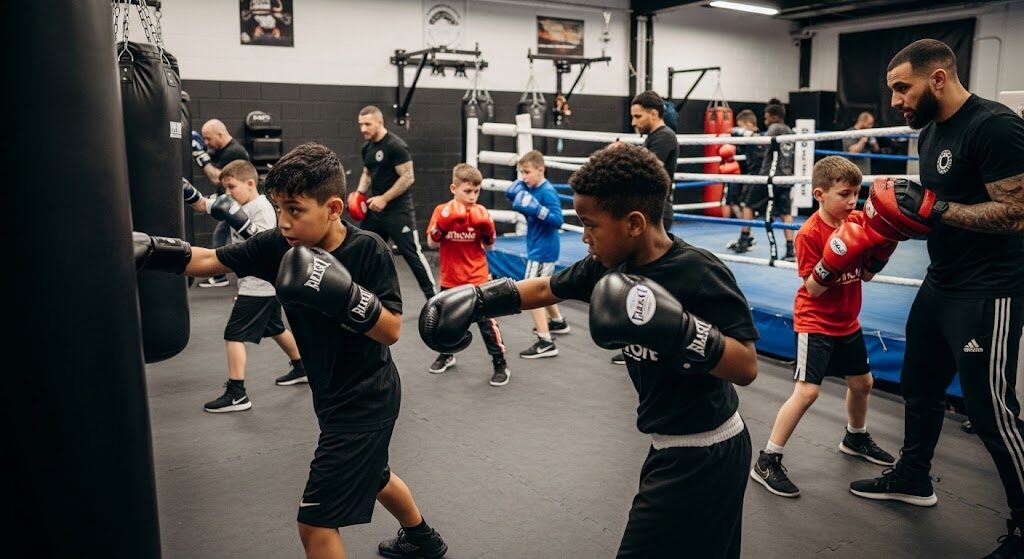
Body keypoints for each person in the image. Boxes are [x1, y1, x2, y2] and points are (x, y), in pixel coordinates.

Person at [420, 144, 760, 558]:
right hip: (667, 443)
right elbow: (548, 287)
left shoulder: (699, 272)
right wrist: (478, 299)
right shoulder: (606, 265)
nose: (583, 236)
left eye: (590, 224)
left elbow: (745, 366)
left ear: (633, 223)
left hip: (707, 450)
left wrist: (679, 330)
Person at [135, 143, 448, 559]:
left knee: (315, 524)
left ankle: (421, 538)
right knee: (374, 474)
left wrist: (344, 295)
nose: (283, 221)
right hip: (331, 392)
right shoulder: (278, 245)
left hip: (367, 397)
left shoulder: (367, 249)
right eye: (278, 208)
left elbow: (390, 330)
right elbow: (210, 259)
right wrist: (150, 249)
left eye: (295, 210)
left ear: (333, 207)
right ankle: (422, 539)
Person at [848, 39, 1024, 558]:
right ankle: (913, 476)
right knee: (918, 386)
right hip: (942, 281)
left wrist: (936, 207)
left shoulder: (994, 125)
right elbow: (936, 213)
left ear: (939, 78)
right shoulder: (931, 133)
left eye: (903, 88)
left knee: (992, 411)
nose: (896, 101)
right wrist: (887, 228)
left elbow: (1016, 214)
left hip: (988, 290)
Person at [749, 156, 897, 498]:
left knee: (863, 383)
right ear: (820, 194)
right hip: (815, 321)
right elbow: (812, 288)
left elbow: (868, 274)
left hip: (848, 321)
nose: (851, 202)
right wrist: (835, 256)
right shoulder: (809, 234)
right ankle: (768, 459)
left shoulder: (858, 221)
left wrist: (884, 248)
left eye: (856, 194)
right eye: (844, 194)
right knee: (808, 392)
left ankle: (855, 436)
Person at [182, 162, 306, 412]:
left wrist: (236, 217)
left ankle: (237, 393)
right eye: (225, 188)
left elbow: (264, 247)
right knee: (275, 327)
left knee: (234, 334)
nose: (228, 193)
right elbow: (202, 204)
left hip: (259, 283)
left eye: (231, 187)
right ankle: (302, 367)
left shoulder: (263, 209)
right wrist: (185, 189)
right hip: (256, 282)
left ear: (250, 183)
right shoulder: (233, 203)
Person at [425, 164, 510, 386]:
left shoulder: (481, 213)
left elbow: (490, 247)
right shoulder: (442, 211)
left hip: (477, 278)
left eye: (476, 191)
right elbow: (432, 243)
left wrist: (488, 230)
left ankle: (500, 363)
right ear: (454, 188)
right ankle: (446, 354)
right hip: (450, 278)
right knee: (445, 325)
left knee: (487, 324)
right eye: (467, 191)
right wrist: (444, 224)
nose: (472, 197)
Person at [351, 105, 438, 300]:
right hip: (376, 211)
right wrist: (358, 193)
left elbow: (408, 177)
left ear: (380, 122)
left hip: (398, 212)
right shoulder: (367, 147)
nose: (363, 128)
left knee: (411, 254)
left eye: (367, 124)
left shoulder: (395, 146)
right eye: (360, 124)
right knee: (365, 249)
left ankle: (433, 298)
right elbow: (367, 173)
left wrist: (384, 198)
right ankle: (364, 297)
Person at [505, 150, 568, 359]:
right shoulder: (530, 187)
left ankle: (545, 340)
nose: (523, 177)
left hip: (543, 249)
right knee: (544, 288)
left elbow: (558, 220)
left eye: (527, 172)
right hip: (539, 246)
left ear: (541, 170)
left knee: (532, 293)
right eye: (521, 172)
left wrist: (537, 210)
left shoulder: (547, 192)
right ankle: (558, 322)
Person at [731, 100, 797, 260]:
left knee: (748, 205)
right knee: (785, 213)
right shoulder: (789, 130)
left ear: (774, 117)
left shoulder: (774, 128)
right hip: (786, 177)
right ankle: (790, 250)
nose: (765, 121)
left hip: (770, 176)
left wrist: (742, 133)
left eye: (766, 117)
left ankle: (744, 239)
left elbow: (762, 143)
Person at [193, 118, 251, 288]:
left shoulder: (233, 152)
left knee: (221, 236)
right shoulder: (223, 150)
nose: (206, 142)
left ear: (220, 134)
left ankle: (219, 276)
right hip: (230, 200)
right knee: (231, 238)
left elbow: (216, 178)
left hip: (236, 203)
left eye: (208, 138)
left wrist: (201, 157)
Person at [630, 90, 679, 232]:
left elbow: (645, 170)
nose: (634, 122)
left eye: (638, 116)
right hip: (649, 209)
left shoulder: (664, 137)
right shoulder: (654, 137)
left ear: (653, 114)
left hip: (657, 211)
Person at [724, 109, 764, 227]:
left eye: (741, 126)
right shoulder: (750, 137)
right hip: (754, 174)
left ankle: (745, 237)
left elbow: (735, 131)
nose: (739, 128)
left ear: (748, 124)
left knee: (747, 205)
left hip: (757, 175)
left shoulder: (758, 137)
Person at [841, 111, 881, 175]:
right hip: (852, 173)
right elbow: (853, 151)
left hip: (866, 172)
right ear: (862, 121)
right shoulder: (849, 133)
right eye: (869, 124)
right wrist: (863, 141)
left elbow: (876, 149)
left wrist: (873, 142)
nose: (871, 126)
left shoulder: (868, 132)